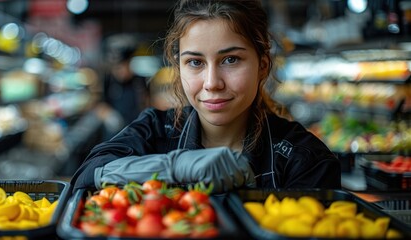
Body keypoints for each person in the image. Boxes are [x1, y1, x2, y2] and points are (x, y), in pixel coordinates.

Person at [71, 0, 341, 193]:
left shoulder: (305, 161)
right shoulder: (155, 129)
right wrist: (176, 167)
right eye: (195, 63)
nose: (212, 83)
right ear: (178, 67)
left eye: (231, 59)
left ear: (262, 65)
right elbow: (86, 175)